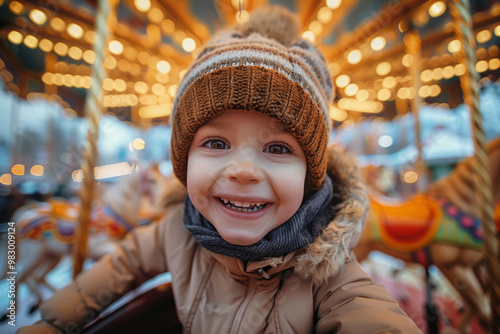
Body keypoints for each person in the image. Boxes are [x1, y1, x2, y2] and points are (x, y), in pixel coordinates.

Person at [19, 6, 422, 334]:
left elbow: (371, 315)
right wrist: (53, 325)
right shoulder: (175, 233)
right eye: (215, 143)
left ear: (309, 174)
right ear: (184, 161)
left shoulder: (325, 269)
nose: (244, 170)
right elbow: (117, 268)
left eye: (278, 148)